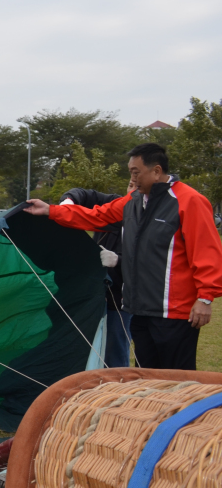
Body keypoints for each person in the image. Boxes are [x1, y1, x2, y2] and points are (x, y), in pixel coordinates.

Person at [25, 143, 222, 370]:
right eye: (130, 172)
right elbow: (96, 216)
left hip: (174, 313)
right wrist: (50, 210)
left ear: (156, 171)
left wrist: (205, 299)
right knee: (146, 375)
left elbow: (207, 253)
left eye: (136, 172)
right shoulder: (133, 201)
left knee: (178, 380)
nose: (132, 178)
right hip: (138, 309)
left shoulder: (190, 201)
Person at [60, 186, 132, 367]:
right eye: (131, 184)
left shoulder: (144, 218)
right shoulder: (113, 204)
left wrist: (118, 261)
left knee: (115, 348)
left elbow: (148, 261)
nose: (134, 189)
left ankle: (117, 388)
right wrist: (68, 200)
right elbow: (84, 194)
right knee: (87, 346)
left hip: (121, 298)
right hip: (94, 294)